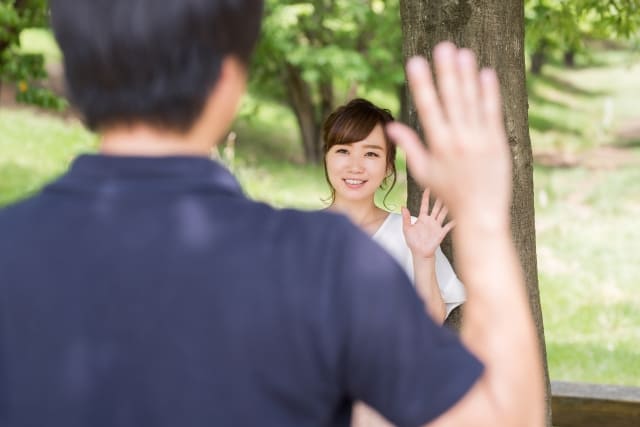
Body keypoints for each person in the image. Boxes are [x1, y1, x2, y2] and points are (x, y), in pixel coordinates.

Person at [0, 1, 544, 426]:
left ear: (70, 66)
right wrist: (484, 219)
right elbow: (504, 419)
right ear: (231, 77)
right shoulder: (326, 266)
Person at [322, 98, 465, 323]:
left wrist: (423, 257)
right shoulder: (299, 234)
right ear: (327, 158)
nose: (355, 166)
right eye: (343, 151)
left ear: (388, 166)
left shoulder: (409, 234)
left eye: (371, 154)